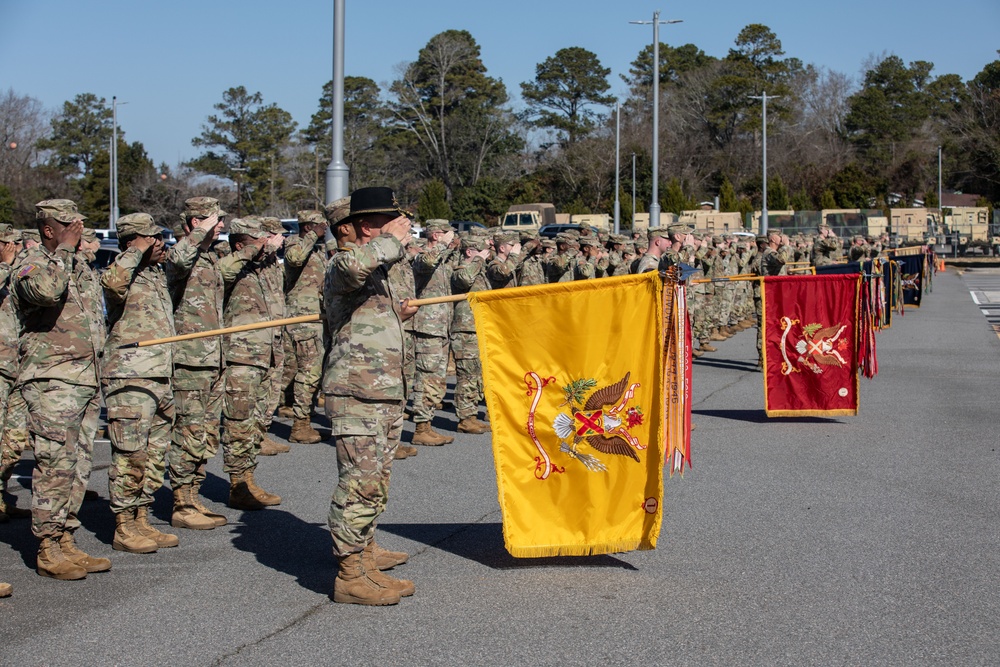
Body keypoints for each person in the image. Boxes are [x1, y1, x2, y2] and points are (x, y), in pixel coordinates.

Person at [324, 186, 416, 605]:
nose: (400, 226)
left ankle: (364, 561)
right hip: (356, 392)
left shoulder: (378, 268)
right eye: (389, 221)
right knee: (358, 485)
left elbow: (364, 322)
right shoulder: (344, 261)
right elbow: (351, 270)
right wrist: (393, 241)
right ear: (367, 225)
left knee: (375, 485)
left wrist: (399, 312)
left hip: (383, 392)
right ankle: (348, 575)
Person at [10, 200, 108, 579]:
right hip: (52, 379)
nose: (77, 227)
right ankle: (47, 548)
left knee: (79, 464)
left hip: (85, 376)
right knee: (54, 464)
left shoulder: (78, 263)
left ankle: (66, 537)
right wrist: (66, 248)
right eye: (66, 224)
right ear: (48, 229)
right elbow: (46, 293)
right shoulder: (30, 261)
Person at [102, 213, 178, 553]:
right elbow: (112, 285)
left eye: (160, 237)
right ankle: (123, 524)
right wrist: (135, 249)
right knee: (130, 453)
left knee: (154, 454)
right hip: (130, 374)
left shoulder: (155, 273)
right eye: (152, 238)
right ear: (134, 241)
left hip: (159, 373)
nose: (160, 243)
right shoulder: (123, 269)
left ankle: (142, 516)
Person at [165, 197, 229, 530]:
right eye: (214, 220)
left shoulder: (208, 258)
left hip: (212, 358)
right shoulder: (182, 254)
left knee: (204, 434)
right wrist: (197, 233)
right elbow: (175, 261)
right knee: (188, 432)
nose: (221, 225)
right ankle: (180, 502)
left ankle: (192, 494)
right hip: (190, 360)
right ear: (194, 223)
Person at [219, 218, 284, 510]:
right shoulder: (227, 262)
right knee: (239, 422)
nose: (264, 246)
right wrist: (249, 252)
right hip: (242, 355)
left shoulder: (266, 266)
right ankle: (238, 484)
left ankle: (249, 477)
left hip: (269, 352)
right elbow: (221, 275)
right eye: (256, 242)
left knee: (258, 420)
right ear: (239, 245)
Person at [282, 210, 331, 444]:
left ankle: (306, 418)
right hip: (302, 318)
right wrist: (312, 236)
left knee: (315, 370)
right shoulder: (294, 242)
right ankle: (299, 424)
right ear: (309, 226)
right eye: (321, 226)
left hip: (317, 317)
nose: (324, 229)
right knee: (309, 371)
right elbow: (294, 259)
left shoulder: (318, 251)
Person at [409, 220, 458, 447]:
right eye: (448, 234)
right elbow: (426, 262)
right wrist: (442, 246)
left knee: (436, 379)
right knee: (426, 377)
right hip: (427, 327)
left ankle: (426, 424)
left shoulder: (443, 258)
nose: (452, 237)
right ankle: (420, 427)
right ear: (437, 235)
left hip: (440, 326)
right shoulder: (421, 256)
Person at [0, 224, 30, 521]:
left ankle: (2, 495)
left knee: (13, 439)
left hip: (17, 364)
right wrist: (5, 265)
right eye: (7, 243)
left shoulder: (17, 273)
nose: (14, 248)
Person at [450, 235, 491, 434]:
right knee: (466, 376)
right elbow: (465, 280)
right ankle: (465, 419)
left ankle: (472, 415)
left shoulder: (479, 271)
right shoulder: (461, 269)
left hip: (477, 329)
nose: (485, 254)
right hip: (464, 330)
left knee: (475, 375)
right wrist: (479, 259)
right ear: (469, 252)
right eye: (480, 250)